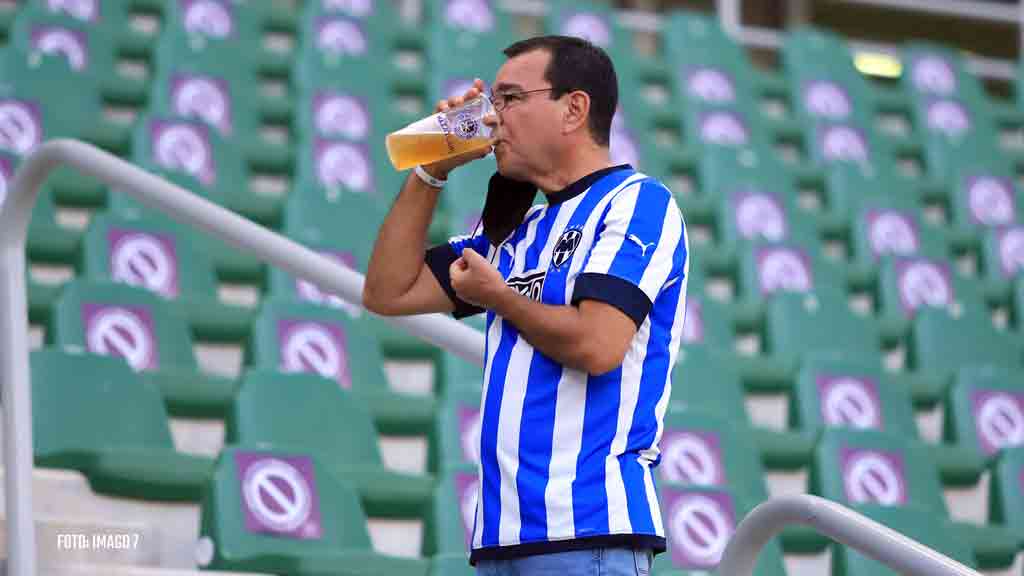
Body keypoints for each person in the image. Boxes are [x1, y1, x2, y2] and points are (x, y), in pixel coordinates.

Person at [363, 35, 689, 575]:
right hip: (501, 538)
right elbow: (386, 291)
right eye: (492, 101)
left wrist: (499, 297)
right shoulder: (513, 231)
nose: (492, 118)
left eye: (510, 99)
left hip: (589, 532)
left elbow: (597, 344)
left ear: (573, 109)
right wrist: (433, 168)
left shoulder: (638, 203)